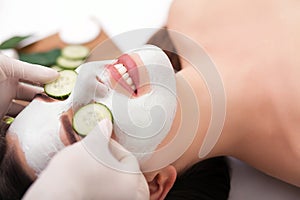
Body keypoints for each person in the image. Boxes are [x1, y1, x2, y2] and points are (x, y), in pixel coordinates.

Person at [0, 52, 231, 199]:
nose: (86, 80)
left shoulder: (188, 11)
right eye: (87, 124)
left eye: (57, 94)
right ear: (151, 186)